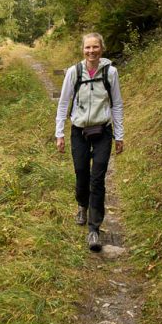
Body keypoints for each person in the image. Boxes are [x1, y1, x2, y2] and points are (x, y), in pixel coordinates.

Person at [55, 32, 124, 252]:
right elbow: (63, 103)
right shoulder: (73, 72)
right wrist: (59, 134)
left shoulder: (110, 72)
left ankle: (94, 229)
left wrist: (119, 135)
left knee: (98, 179)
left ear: (102, 49)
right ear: (82, 49)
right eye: (87, 47)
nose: (91, 51)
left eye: (95, 47)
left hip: (103, 131)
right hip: (79, 131)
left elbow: (117, 104)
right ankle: (82, 204)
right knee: (81, 173)